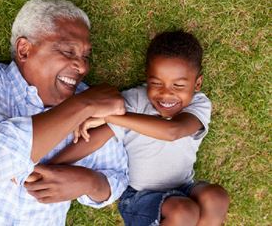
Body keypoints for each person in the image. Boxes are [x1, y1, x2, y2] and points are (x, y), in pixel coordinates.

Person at [0, 0, 129, 225]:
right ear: (24, 50)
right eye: (67, 51)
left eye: (85, 56)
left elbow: (117, 178)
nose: (83, 67)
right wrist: (83, 105)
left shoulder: (89, 102)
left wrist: (88, 182)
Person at [49, 31, 230, 226]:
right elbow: (95, 139)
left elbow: (173, 131)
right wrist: (51, 165)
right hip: (139, 197)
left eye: (178, 85)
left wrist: (111, 116)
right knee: (183, 211)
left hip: (185, 187)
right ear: (147, 77)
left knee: (216, 197)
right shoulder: (134, 100)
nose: (166, 93)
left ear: (197, 83)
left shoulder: (198, 104)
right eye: (156, 83)